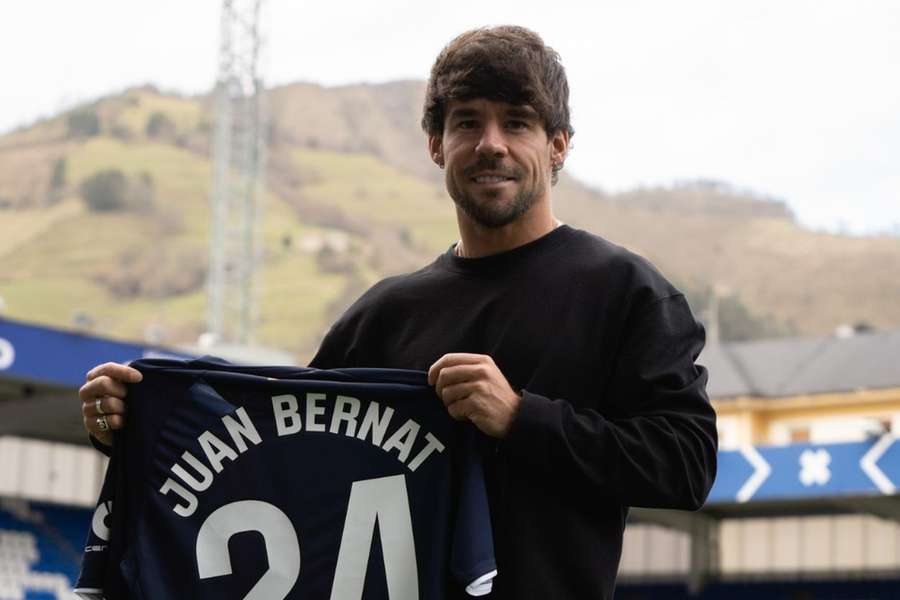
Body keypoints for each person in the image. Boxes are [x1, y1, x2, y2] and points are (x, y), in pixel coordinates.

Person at [79, 25, 717, 599]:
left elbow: (687, 465)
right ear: (437, 145)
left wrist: (524, 418)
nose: (490, 144)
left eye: (517, 123)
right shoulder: (383, 315)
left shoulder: (626, 293)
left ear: (558, 146)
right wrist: (136, 429)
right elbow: (283, 457)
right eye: (467, 122)